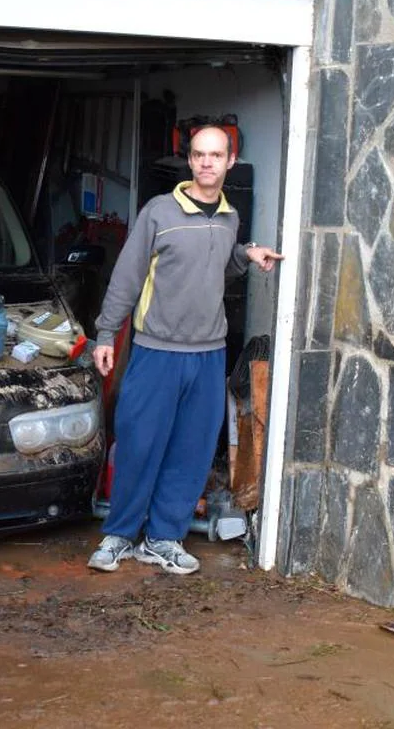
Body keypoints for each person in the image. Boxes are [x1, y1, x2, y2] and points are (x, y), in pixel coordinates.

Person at [88, 125, 283, 575]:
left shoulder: (230, 217)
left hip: (208, 353)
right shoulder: (159, 211)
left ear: (230, 161)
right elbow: (127, 277)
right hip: (156, 350)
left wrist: (245, 256)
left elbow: (214, 272)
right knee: (139, 444)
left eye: (216, 155)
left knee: (190, 450)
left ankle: (163, 539)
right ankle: (119, 535)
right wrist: (105, 334)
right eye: (199, 155)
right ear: (189, 160)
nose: (207, 163)